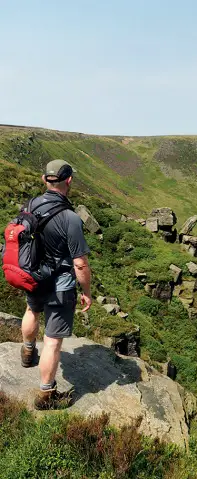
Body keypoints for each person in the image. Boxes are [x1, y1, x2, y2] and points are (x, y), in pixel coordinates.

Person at [21, 159, 92, 410]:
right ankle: (46, 395)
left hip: (33, 275)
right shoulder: (70, 217)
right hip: (60, 284)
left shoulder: (30, 205)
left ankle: (28, 353)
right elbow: (80, 264)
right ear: (69, 181)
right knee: (52, 341)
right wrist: (86, 292)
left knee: (31, 310)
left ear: (44, 180)